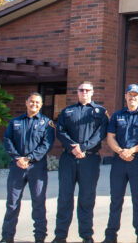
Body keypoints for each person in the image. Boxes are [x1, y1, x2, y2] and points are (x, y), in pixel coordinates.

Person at [53, 81, 109, 243]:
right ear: (77, 92)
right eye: (81, 90)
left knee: (87, 198)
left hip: (89, 159)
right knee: (64, 198)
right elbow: (60, 132)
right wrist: (73, 148)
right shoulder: (67, 111)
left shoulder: (100, 112)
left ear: (92, 92)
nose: (84, 92)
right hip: (68, 159)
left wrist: (82, 148)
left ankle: (86, 236)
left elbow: (101, 133)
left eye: (87, 90)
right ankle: (60, 236)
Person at [103, 84, 138, 243]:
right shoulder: (116, 115)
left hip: (137, 161)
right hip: (119, 161)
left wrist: (131, 150)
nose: (132, 97)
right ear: (125, 96)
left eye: (135, 95)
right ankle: (111, 236)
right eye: (130, 95)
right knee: (115, 200)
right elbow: (110, 137)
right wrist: (120, 151)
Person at [0, 93, 55, 243]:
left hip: (37, 168)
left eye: (37, 102)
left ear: (41, 105)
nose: (34, 104)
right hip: (17, 167)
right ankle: (7, 237)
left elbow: (47, 144)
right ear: (26, 102)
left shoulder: (46, 123)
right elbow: (7, 140)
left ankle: (39, 237)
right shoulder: (15, 122)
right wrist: (17, 157)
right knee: (12, 203)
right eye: (32, 101)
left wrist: (29, 158)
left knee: (38, 202)